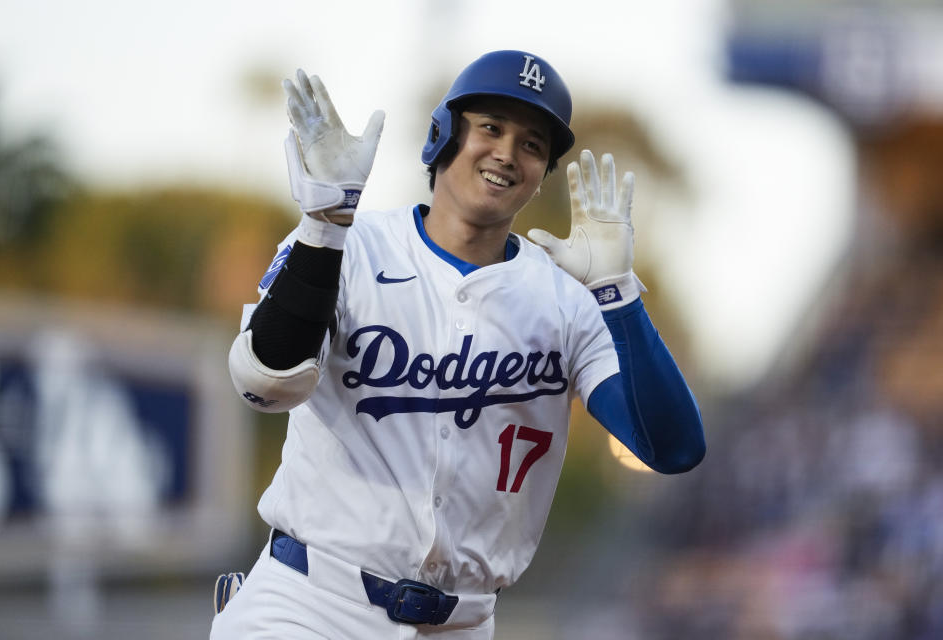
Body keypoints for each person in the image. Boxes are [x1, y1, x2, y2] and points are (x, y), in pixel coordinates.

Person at [211, 49, 705, 639]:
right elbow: (264, 384)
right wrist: (325, 224)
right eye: (491, 128)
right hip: (311, 604)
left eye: (532, 143)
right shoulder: (351, 246)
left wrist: (619, 294)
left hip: (461, 623)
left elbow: (673, 449)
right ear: (443, 135)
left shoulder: (567, 301)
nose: (507, 152)